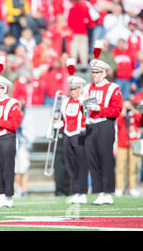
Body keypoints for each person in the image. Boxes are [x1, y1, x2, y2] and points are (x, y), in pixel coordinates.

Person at [83, 42, 123, 205]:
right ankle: (99, 191)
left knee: (105, 158)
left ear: (105, 73)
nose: (95, 75)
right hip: (91, 125)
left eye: (98, 72)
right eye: (93, 72)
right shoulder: (87, 88)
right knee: (92, 158)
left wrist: (99, 108)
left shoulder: (113, 88)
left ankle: (108, 191)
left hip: (105, 124)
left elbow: (116, 110)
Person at [0, 56, 23, 208]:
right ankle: (0, 195)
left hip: (7, 138)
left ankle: (9, 197)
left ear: (5, 89)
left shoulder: (13, 103)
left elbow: (14, 124)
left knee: (7, 167)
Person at [53, 60, 88, 204]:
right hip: (68, 134)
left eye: (76, 88)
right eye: (72, 88)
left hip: (79, 135)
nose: (73, 91)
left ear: (80, 88)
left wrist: (83, 126)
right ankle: (74, 191)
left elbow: (87, 116)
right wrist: (60, 123)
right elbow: (65, 118)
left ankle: (82, 192)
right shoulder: (65, 101)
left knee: (81, 164)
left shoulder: (84, 101)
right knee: (70, 165)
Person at [115, 100, 142, 197]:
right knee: (120, 167)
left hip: (133, 143)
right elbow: (117, 123)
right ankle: (120, 188)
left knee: (133, 167)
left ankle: (132, 187)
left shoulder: (134, 115)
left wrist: (132, 109)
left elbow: (141, 121)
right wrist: (123, 111)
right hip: (122, 144)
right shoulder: (121, 116)